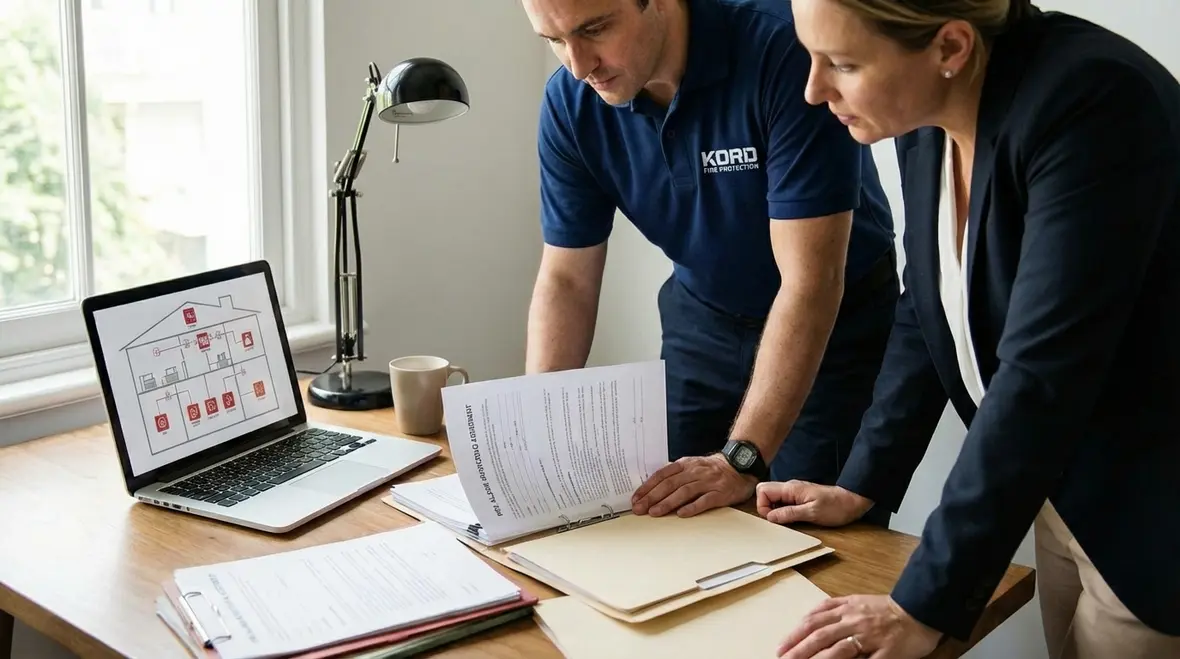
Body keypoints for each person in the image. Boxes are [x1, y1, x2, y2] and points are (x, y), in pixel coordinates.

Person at [756, 1, 1180, 658]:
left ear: (951, 46)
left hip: (1148, 508)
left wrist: (924, 601)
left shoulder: (1094, 102)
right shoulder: (928, 107)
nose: (814, 90)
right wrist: (862, 482)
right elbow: (927, 306)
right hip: (1060, 489)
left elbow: (1042, 376)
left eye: (841, 63)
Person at [520, 0, 898, 524]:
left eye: (595, 29)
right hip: (702, 317)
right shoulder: (571, 101)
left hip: (834, 325)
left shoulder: (783, 50)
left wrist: (742, 458)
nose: (580, 64)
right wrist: (534, 429)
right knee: (663, 509)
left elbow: (810, 282)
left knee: (805, 536)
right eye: (555, 41)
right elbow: (567, 279)